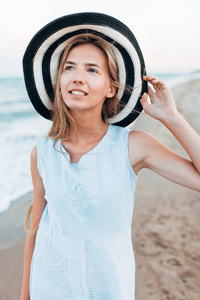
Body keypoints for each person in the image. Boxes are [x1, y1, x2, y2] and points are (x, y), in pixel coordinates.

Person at [19, 13, 200, 300]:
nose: (77, 77)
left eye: (92, 70)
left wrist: (171, 117)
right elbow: (36, 230)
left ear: (111, 87)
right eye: (69, 68)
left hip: (109, 288)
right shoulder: (41, 154)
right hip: (50, 284)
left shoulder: (133, 146)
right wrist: (24, 295)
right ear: (59, 80)